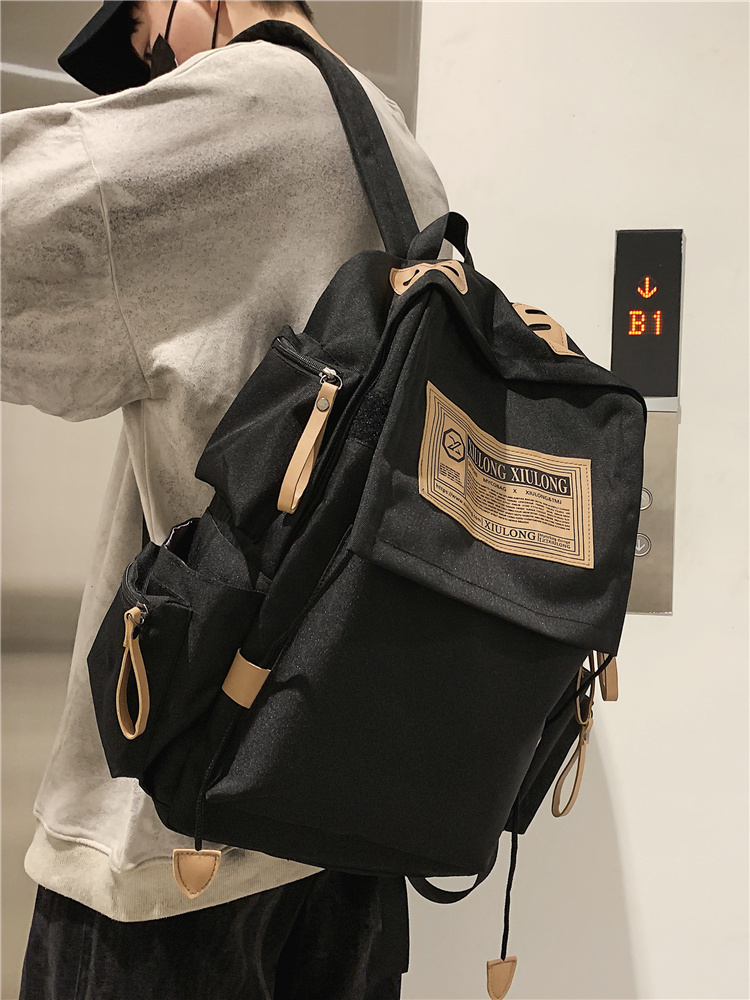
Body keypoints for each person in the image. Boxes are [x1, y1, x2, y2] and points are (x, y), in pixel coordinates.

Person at [1, 1, 449, 996]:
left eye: (150, 42)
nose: (156, 74)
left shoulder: (228, 111)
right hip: (349, 817)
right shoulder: (399, 151)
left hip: (177, 838)